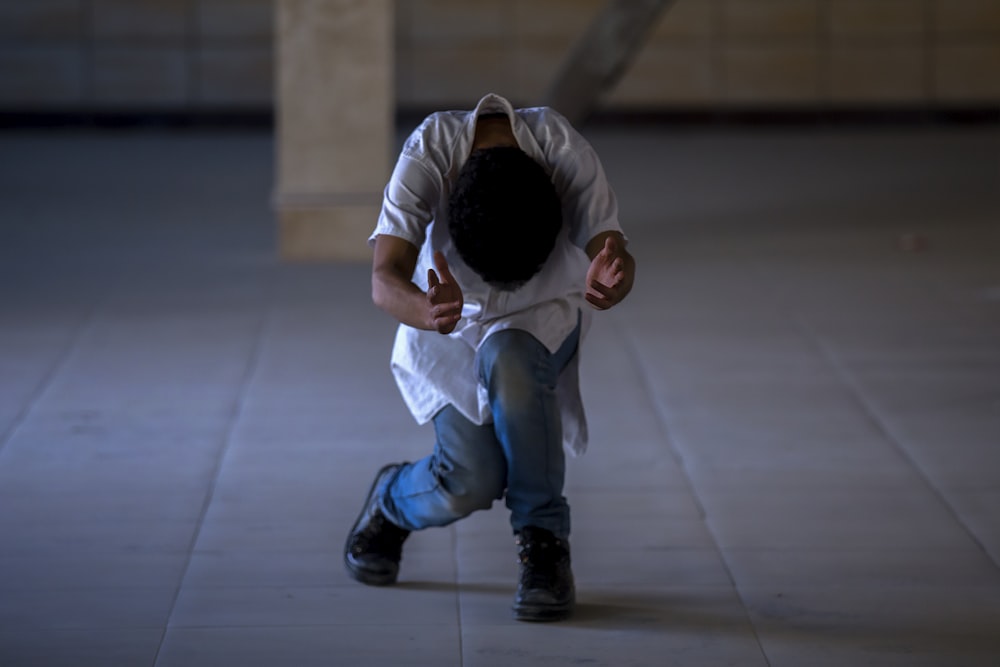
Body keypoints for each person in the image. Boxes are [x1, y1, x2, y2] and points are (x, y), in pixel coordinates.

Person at [344, 93, 635, 622]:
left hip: (541, 318)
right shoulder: (429, 152)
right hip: (444, 317)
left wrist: (613, 277)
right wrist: (428, 311)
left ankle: (544, 541)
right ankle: (391, 500)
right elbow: (384, 281)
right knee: (471, 481)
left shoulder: (562, 149)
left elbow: (613, 250)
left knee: (513, 356)